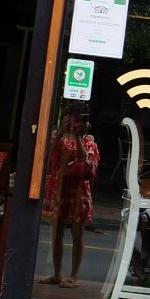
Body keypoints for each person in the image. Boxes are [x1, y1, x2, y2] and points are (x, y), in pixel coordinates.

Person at [40, 106, 100, 287]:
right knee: (57, 233)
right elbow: (50, 156)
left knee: (77, 233)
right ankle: (57, 274)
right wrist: (61, 132)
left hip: (78, 189)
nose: (74, 121)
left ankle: (73, 276)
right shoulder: (57, 137)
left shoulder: (88, 139)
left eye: (77, 118)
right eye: (70, 117)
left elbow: (84, 159)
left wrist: (79, 136)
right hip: (59, 186)